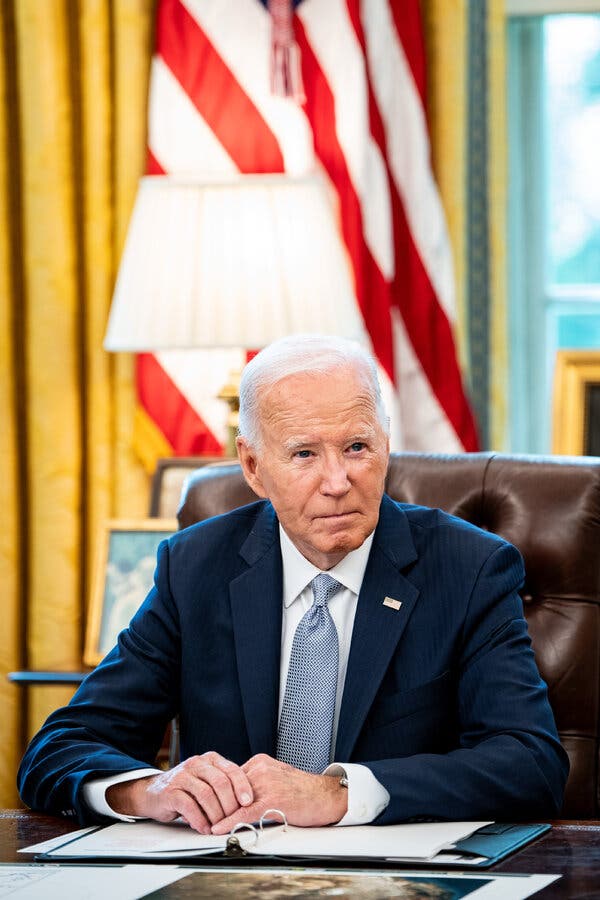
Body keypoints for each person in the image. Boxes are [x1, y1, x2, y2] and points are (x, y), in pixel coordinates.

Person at [18, 334, 569, 833]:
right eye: (304, 454)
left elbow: (531, 763)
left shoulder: (470, 568)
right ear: (253, 467)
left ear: (385, 443)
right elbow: (58, 751)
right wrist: (148, 789)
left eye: (356, 447)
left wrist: (338, 794)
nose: (337, 482)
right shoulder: (195, 567)